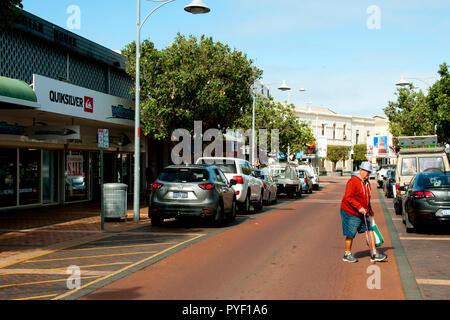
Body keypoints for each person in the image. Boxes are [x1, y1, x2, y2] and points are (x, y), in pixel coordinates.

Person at [340, 161, 387, 263]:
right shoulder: (353, 181)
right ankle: (347, 254)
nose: (368, 174)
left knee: (370, 229)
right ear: (361, 170)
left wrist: (369, 209)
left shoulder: (367, 183)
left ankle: (374, 253)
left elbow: (367, 198)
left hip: (362, 212)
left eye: (369, 172)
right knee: (351, 233)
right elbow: (348, 197)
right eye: (366, 172)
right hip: (350, 212)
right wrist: (359, 207)